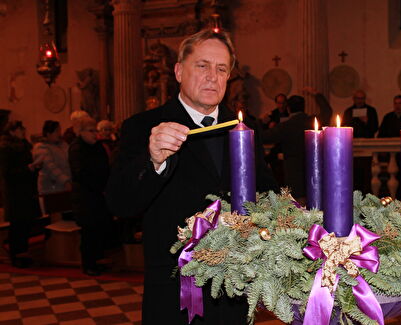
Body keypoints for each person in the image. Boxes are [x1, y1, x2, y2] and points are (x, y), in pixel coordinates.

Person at [106, 29, 277, 324]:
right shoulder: (144, 126)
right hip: (174, 290)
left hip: (235, 289)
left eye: (221, 68)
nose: (213, 76)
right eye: (202, 65)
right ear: (178, 71)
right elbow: (119, 203)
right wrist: (154, 160)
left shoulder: (246, 129)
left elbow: (266, 192)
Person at [69, 117, 111, 276]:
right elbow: (80, 173)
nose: (95, 134)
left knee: (98, 230)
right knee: (89, 232)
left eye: (95, 130)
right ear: (81, 132)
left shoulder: (97, 147)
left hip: (98, 196)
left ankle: (98, 260)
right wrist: (99, 186)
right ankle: (88, 264)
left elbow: (105, 168)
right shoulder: (77, 148)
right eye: (91, 131)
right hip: (85, 197)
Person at [0, 121, 41, 268]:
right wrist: (27, 169)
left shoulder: (24, 146)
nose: (23, 131)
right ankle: (16, 255)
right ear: (12, 131)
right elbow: (7, 173)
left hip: (26, 190)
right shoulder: (6, 149)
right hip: (15, 193)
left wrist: (35, 168)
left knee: (25, 223)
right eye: (20, 129)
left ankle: (23, 252)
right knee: (17, 225)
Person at [262, 96, 310, 205]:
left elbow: (265, 137)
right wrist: (318, 96)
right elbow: (327, 111)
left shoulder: (286, 126)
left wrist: (261, 123)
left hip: (293, 170)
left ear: (288, 108)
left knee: (297, 205)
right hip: (313, 169)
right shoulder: (312, 121)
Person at [342, 90, 379, 194]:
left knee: (367, 175)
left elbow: (375, 128)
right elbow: (344, 128)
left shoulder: (371, 111)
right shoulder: (348, 111)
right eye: (357, 98)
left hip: (367, 148)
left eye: (362, 98)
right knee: (353, 174)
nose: (359, 101)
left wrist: (366, 122)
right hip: (352, 147)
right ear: (354, 99)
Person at [33, 120, 71, 196]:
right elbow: (50, 167)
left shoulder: (63, 145)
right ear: (48, 134)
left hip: (65, 187)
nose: (59, 133)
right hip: (50, 189)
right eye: (56, 131)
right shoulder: (41, 147)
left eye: (60, 130)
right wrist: (65, 181)